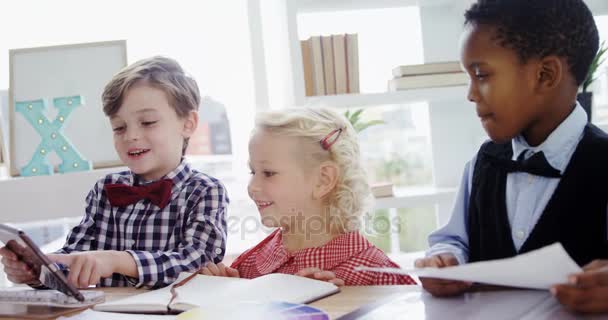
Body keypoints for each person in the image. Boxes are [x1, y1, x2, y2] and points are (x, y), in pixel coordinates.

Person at [415, 0, 608, 299]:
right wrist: (446, 259)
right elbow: (454, 240)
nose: (470, 94)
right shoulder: (481, 163)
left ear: (545, 75)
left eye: (481, 75)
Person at [0, 56, 229, 289]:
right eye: (119, 127)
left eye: (148, 122)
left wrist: (119, 261)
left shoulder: (205, 191)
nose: (130, 136)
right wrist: (36, 270)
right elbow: (73, 259)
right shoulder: (104, 191)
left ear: (188, 123)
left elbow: (199, 262)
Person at [200, 107, 416, 286]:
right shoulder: (247, 267)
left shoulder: (379, 279)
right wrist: (225, 297)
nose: (253, 187)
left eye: (269, 173)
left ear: (323, 180)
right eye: (252, 172)